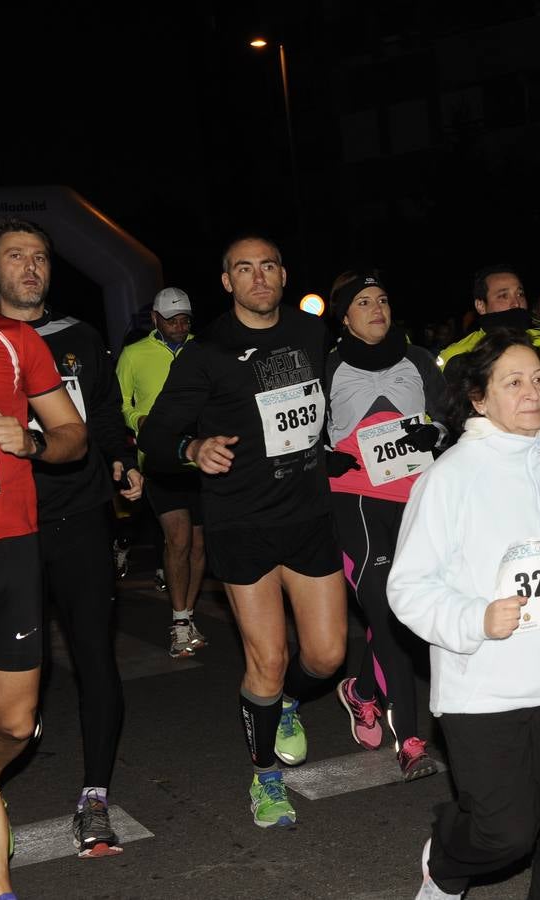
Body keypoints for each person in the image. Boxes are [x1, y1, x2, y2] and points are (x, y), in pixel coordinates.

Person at [388, 330, 540, 900]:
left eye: (539, 380)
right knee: (504, 832)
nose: (533, 393)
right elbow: (407, 587)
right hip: (487, 689)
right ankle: (446, 859)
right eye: (514, 382)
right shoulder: (448, 478)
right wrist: (476, 618)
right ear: (479, 398)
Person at [139, 234, 347, 826]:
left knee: (328, 656)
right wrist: (192, 445)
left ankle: (286, 706)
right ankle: (266, 778)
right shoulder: (206, 353)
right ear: (226, 282)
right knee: (268, 659)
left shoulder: (312, 334)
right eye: (244, 269)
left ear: (284, 274)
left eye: (269, 266)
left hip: (307, 515)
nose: (259, 278)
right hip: (241, 522)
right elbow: (154, 437)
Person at [0, 218, 142, 858]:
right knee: (11, 691)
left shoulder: (78, 337)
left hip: (76, 516)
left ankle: (95, 796)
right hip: (3, 530)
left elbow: (101, 413)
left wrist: (124, 458)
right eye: (14, 257)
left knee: (92, 655)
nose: (30, 267)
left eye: (40, 257)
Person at [323, 270, 447, 781]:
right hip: (355, 501)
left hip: (415, 497)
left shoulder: (418, 359)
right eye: (364, 302)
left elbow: (446, 416)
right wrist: (321, 457)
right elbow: (303, 424)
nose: (377, 308)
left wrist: (433, 431)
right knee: (384, 601)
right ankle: (412, 741)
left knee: (397, 609)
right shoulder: (326, 363)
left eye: (383, 299)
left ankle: (362, 691)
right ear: (346, 316)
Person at [0, 307, 87, 900]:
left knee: (17, 725)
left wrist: (33, 441)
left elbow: (73, 439)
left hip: (12, 553)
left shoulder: (12, 339)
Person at [116, 286, 208, 657]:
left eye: (185, 319)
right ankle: (180, 620)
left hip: (203, 459)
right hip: (158, 460)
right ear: (155, 319)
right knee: (178, 539)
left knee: (200, 546)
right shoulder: (134, 354)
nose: (179, 326)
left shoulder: (203, 350)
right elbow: (119, 402)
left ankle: (188, 612)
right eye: (171, 320)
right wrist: (138, 420)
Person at [438, 266, 540, 436]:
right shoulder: (454, 357)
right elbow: (437, 418)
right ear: (481, 305)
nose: (516, 303)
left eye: (520, 294)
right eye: (503, 296)